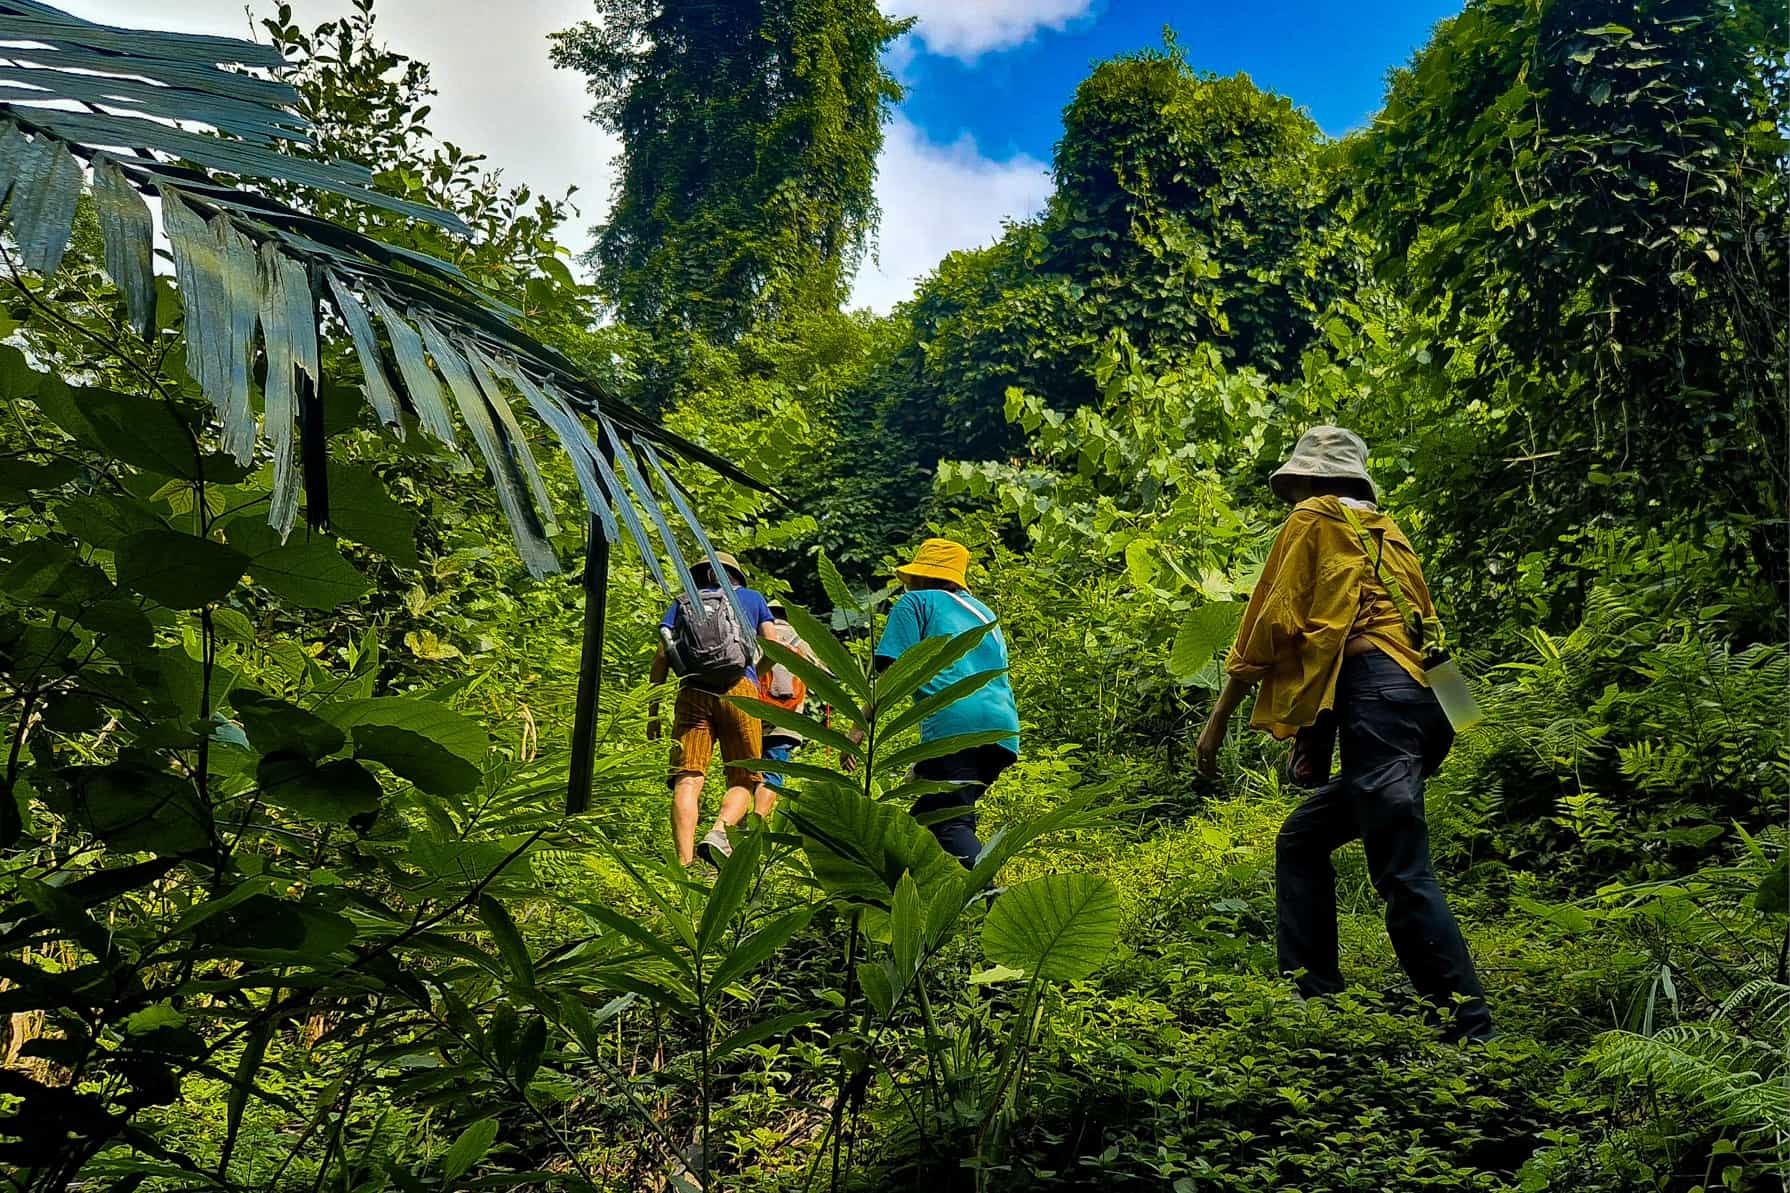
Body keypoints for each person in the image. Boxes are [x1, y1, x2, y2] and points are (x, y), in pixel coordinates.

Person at [1195, 426, 1493, 1043]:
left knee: (1402, 869)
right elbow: (1423, 629)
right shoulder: (1387, 530)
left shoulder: (1313, 516)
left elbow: (1269, 622)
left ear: (1311, 479)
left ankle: (1471, 1028)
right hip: (1431, 703)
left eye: (1296, 483)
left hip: (1378, 699)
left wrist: (1217, 721)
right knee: (1303, 840)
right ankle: (1315, 998)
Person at [862, 538, 1021, 868]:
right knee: (924, 823)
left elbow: (893, 672)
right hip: (1003, 730)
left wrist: (858, 726)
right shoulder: (983, 612)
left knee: (951, 823)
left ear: (918, 575)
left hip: (955, 725)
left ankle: (992, 902)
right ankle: (885, 903)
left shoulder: (916, 603)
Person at [646, 551, 778, 866]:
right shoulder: (752, 598)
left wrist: (653, 712)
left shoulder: (682, 602)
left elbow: (662, 657)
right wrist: (752, 676)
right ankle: (718, 832)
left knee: (687, 778)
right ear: (734, 575)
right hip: (740, 692)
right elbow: (775, 648)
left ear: (703, 576)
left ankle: (683, 862)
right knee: (744, 777)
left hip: (693, 691)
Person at [757, 599, 820, 798]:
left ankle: (736, 823)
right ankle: (759, 820)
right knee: (773, 776)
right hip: (786, 720)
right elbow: (826, 673)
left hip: (753, 714)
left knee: (745, 772)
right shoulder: (800, 642)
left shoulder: (756, 636)